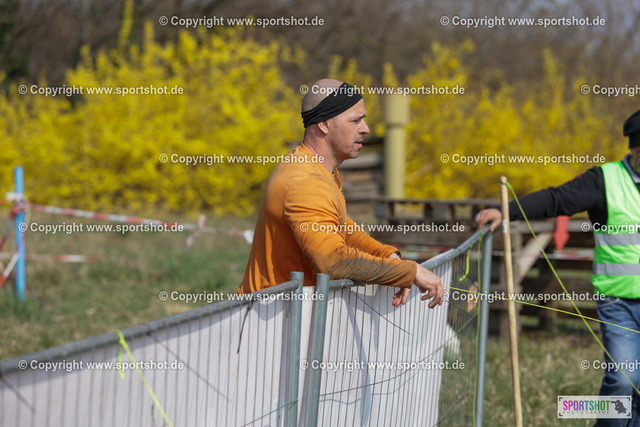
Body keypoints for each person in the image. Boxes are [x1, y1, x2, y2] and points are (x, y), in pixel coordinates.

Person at [476, 109, 640, 426]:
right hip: (619, 303)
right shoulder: (605, 180)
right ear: (636, 149)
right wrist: (506, 211)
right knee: (623, 379)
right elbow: (555, 199)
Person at [239, 78, 444, 308]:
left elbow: (342, 229)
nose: (365, 128)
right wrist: (409, 272)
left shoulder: (320, 170)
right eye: (355, 120)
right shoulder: (306, 182)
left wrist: (387, 256)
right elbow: (333, 261)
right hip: (272, 319)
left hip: (289, 314)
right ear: (324, 124)